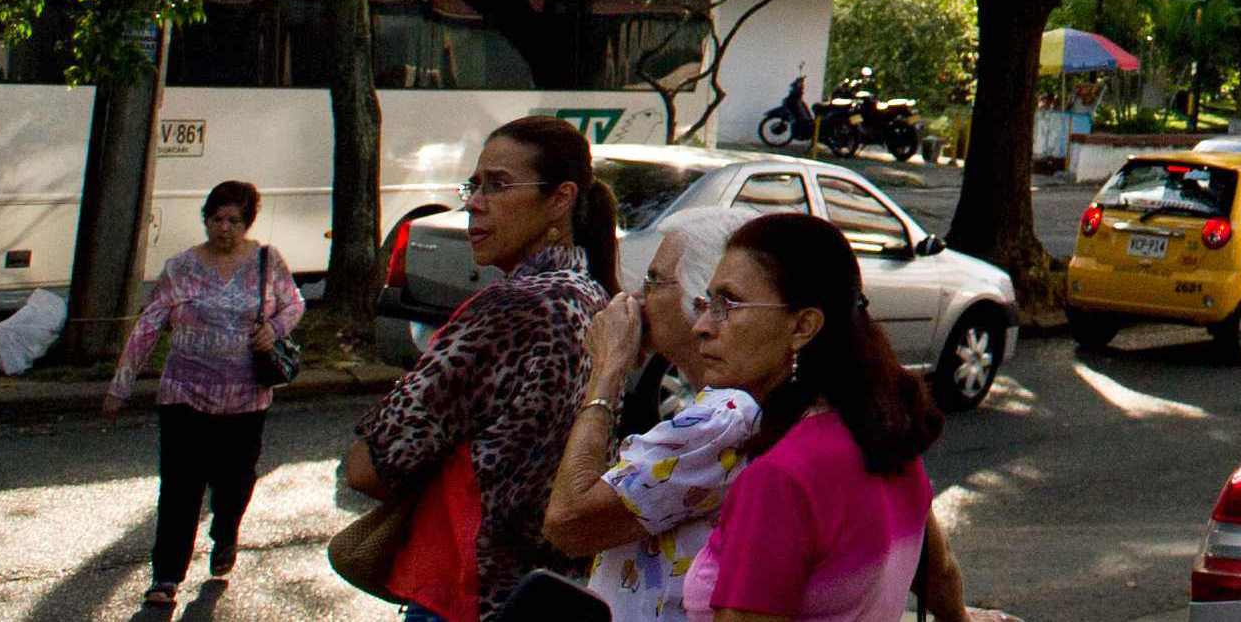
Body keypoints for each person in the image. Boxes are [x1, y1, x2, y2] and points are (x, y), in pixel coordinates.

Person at [349, 115, 622, 619]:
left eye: (498, 185)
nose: (475, 202)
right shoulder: (593, 296)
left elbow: (369, 466)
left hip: (464, 592)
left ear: (559, 200)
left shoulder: (511, 308)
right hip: (544, 595)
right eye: (474, 185)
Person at [684, 212, 969, 622]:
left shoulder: (780, 480)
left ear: (803, 326)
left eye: (728, 303)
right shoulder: (883, 434)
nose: (702, 325)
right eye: (706, 302)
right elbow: (939, 572)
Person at [546, 207, 767, 622]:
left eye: (654, 282)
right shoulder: (723, 408)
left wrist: (607, 370)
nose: (636, 296)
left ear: (703, 299)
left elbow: (567, 522)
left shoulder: (723, 419)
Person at [107, 178, 307, 607]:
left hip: (246, 398)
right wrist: (120, 387)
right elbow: (148, 326)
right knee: (179, 488)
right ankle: (166, 576)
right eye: (216, 219)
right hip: (184, 394)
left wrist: (273, 330)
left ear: (247, 222)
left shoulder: (266, 262)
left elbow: (294, 303)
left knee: (235, 483)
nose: (224, 228)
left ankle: (225, 532)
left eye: (234, 220)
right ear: (206, 220)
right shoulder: (181, 267)